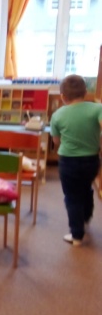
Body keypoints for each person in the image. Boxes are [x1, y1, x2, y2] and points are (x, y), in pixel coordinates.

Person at [50, 74, 102, 247]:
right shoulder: (97, 109)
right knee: (86, 188)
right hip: (91, 160)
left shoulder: (57, 115)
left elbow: (56, 141)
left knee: (72, 197)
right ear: (85, 92)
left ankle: (76, 235)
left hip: (68, 162)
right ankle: (86, 217)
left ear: (63, 96)